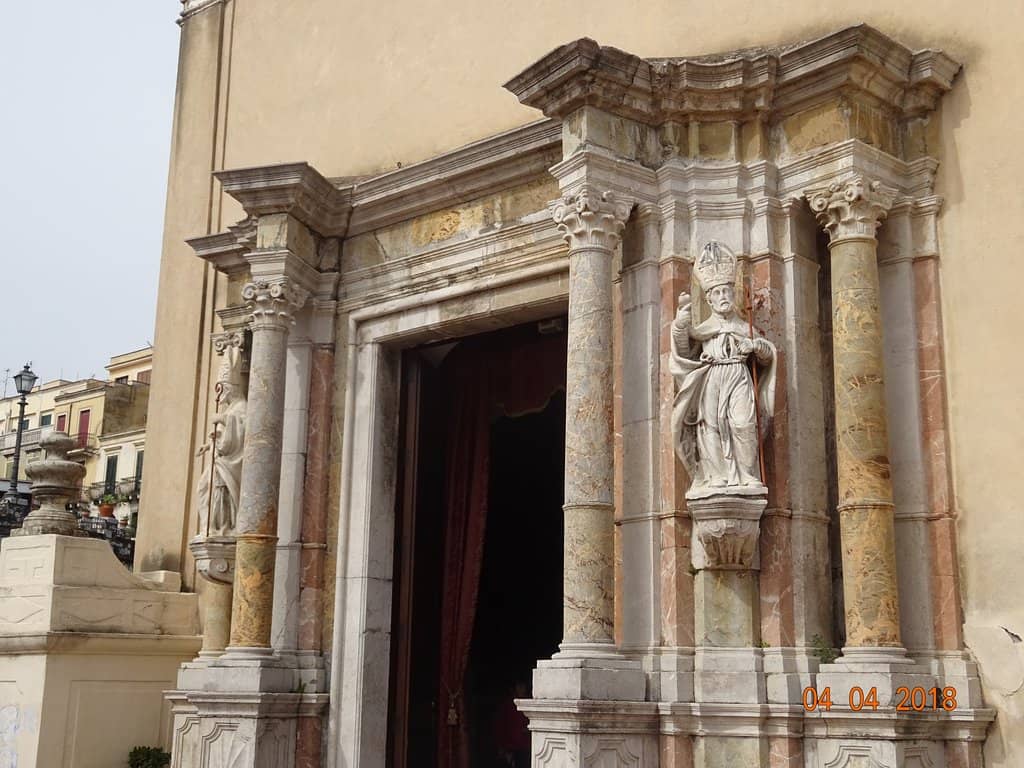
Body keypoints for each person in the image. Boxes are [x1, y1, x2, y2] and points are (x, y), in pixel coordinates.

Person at [670, 241, 776, 496]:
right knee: (711, 425)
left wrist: (755, 347)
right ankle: (715, 476)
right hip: (713, 377)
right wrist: (680, 326)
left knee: (742, 423)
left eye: (727, 292)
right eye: (717, 293)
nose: (723, 297)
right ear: (708, 298)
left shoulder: (745, 327)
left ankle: (748, 475)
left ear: (734, 294)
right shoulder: (704, 328)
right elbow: (684, 353)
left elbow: (766, 356)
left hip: (739, 376)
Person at [196, 346, 247, 535]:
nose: (220, 395)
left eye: (222, 389)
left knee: (220, 493)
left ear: (229, 389)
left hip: (229, 465)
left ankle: (224, 526)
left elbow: (245, 428)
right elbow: (223, 439)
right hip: (218, 462)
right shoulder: (229, 408)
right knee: (204, 490)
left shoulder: (240, 407)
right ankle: (212, 527)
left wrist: (223, 419)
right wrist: (208, 445)